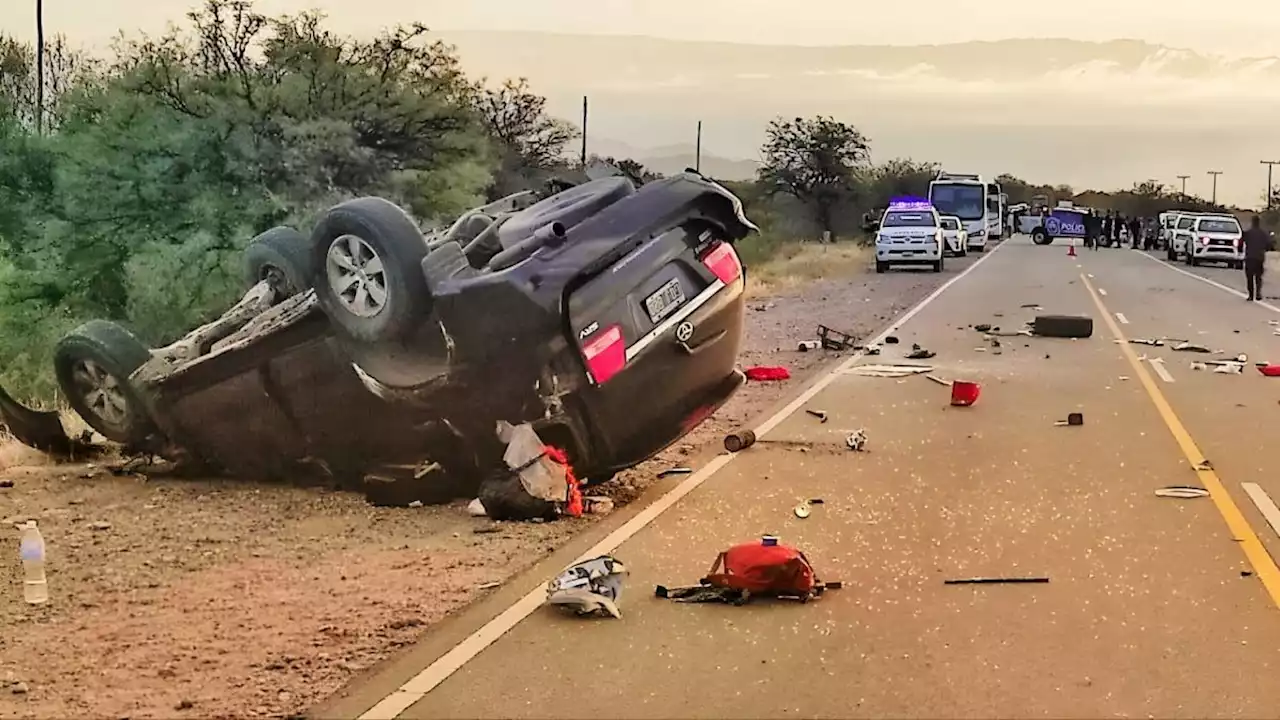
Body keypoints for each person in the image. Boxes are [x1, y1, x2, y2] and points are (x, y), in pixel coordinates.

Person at [1242, 216, 1274, 301]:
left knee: (1249, 277)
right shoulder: (1263, 234)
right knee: (1258, 277)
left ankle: (1251, 295)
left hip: (1249, 258)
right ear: (1259, 222)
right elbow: (1269, 245)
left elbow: (1243, 242)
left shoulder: (1248, 233)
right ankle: (1258, 293)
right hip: (1259, 257)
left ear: (1252, 222)